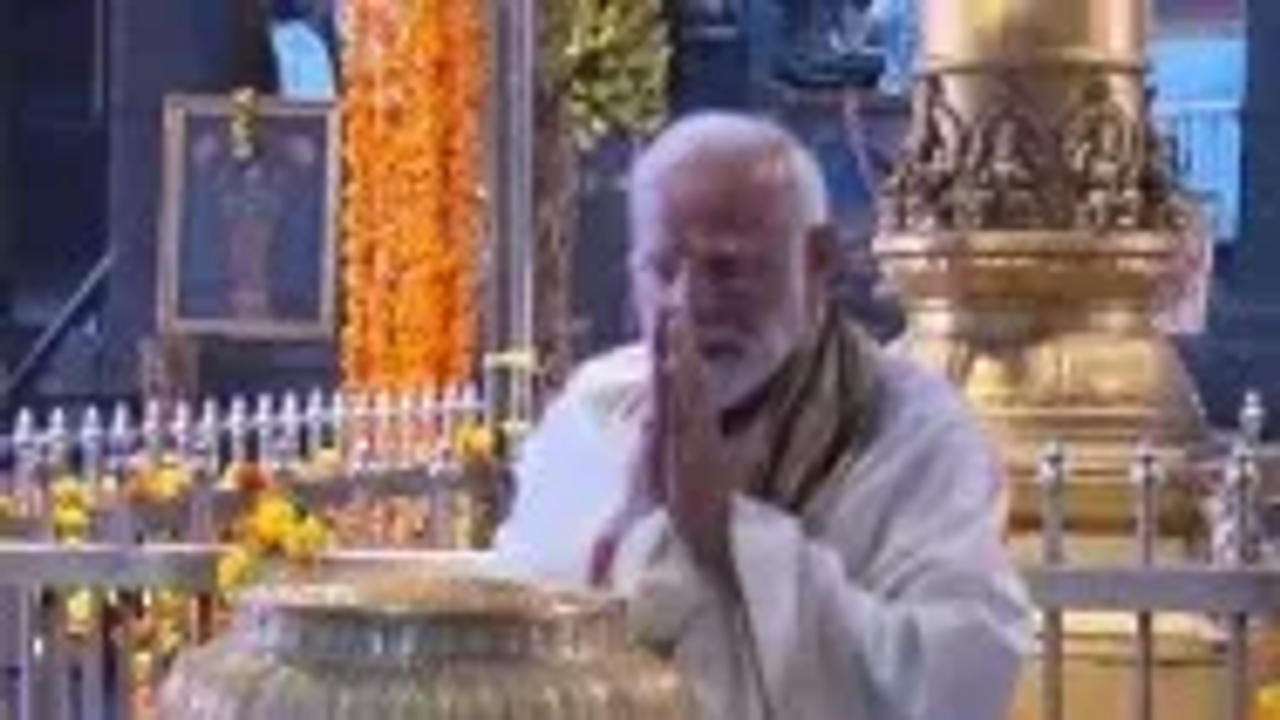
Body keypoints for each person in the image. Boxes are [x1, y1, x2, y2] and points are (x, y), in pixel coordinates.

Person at [494, 112, 1030, 719]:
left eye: (728, 270)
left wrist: (731, 536)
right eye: (663, 268)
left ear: (818, 260)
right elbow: (515, 642)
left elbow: (952, 680)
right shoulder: (594, 412)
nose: (689, 302)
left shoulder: (915, 434)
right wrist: (634, 526)